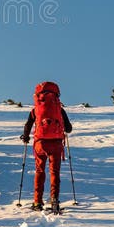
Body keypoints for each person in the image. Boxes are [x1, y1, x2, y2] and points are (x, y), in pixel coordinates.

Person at [21, 81, 72, 212]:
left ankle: (37, 201)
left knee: (40, 171)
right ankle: (54, 199)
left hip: (40, 144)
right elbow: (69, 128)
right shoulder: (59, 109)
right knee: (54, 172)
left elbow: (28, 125)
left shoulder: (35, 109)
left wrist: (25, 137)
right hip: (56, 143)